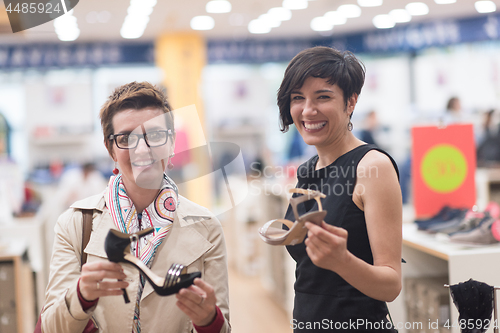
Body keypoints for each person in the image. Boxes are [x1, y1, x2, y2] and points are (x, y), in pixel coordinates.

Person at [40, 82, 230, 332]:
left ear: (172, 144)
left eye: (155, 135)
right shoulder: (75, 223)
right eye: (127, 137)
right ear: (111, 150)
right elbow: (51, 327)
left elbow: (223, 328)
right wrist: (81, 296)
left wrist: (208, 321)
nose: (142, 149)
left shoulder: (206, 227)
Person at [276, 46, 402, 332]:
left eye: (323, 97)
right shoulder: (309, 169)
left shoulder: (372, 167)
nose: (308, 110)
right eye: (298, 98)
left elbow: (392, 284)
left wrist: (343, 261)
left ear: (351, 102)